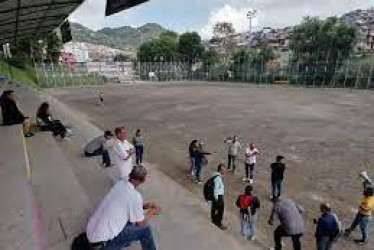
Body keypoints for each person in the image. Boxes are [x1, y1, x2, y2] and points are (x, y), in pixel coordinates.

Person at [86, 165, 160, 250]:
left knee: (131, 220)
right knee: (146, 230)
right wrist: (153, 211)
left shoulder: (120, 184)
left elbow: (127, 205)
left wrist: (144, 206)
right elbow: (141, 223)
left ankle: (124, 241)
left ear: (130, 175)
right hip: (103, 245)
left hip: (91, 234)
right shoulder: (135, 196)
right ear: (143, 180)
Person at [211, 163, 227, 230]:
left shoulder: (215, 175)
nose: (224, 171)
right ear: (220, 170)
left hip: (216, 196)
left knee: (214, 208)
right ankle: (218, 223)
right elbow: (216, 189)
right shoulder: (217, 178)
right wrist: (217, 198)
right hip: (218, 196)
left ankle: (214, 219)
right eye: (223, 169)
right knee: (220, 210)